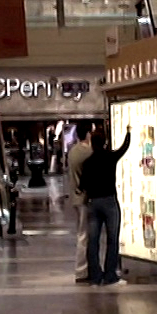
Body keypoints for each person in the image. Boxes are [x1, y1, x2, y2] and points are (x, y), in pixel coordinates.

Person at [79, 126, 131, 287]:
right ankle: (110, 275)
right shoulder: (110, 157)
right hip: (109, 201)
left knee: (93, 240)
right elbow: (124, 148)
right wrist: (128, 132)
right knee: (112, 239)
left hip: (93, 203)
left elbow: (82, 186)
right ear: (105, 142)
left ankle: (95, 276)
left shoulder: (86, 163)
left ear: (92, 144)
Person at [67, 121, 93, 284]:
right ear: (88, 134)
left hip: (75, 197)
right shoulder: (88, 152)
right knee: (84, 235)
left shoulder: (72, 151)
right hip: (84, 197)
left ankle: (84, 268)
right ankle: (82, 270)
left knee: (82, 232)